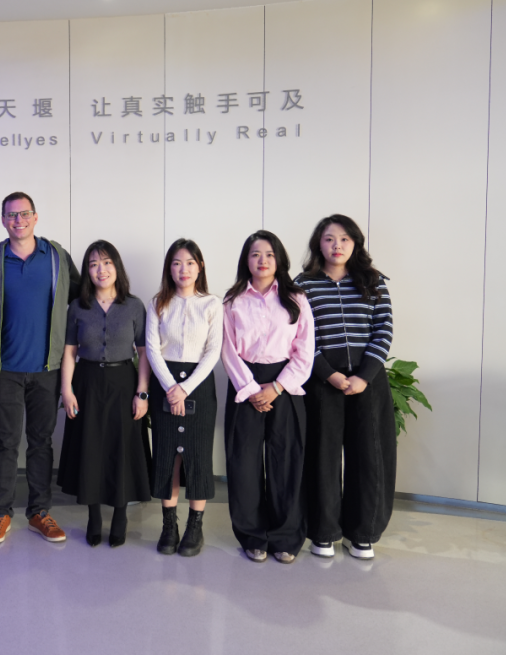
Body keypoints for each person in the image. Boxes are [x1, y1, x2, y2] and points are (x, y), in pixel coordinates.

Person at [0, 192, 80, 544]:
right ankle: (0, 513)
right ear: (3, 220)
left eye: (24, 214)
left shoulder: (56, 257)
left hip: (47, 368)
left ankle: (39, 512)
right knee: (6, 442)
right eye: (11, 215)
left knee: (41, 443)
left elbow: (80, 299)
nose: (18, 220)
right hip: (4, 370)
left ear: (35, 217)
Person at [296, 214, 395, 560]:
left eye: (344, 239)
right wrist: (330, 375)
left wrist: (363, 376)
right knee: (322, 457)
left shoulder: (373, 281)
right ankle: (323, 532)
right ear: (318, 245)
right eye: (329, 239)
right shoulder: (304, 285)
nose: (336, 245)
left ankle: (362, 533)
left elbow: (384, 329)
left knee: (369, 457)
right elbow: (301, 337)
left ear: (355, 244)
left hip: (368, 382)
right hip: (323, 381)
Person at [221, 230, 314, 564]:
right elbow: (227, 350)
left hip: (285, 385)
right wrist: (250, 390)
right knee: (243, 463)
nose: (262, 260)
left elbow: (305, 349)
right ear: (246, 260)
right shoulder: (232, 300)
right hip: (243, 384)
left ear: (279, 260)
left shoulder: (296, 298)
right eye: (255, 254)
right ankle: (252, 536)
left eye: (269, 254)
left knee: (286, 461)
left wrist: (276, 387)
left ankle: (286, 537)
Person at [58, 241, 151, 548]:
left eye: (107, 262)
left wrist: (142, 394)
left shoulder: (134, 306)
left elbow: (144, 353)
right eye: (94, 264)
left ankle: (121, 515)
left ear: (117, 267)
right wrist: (67, 390)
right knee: (91, 448)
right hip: (87, 382)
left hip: (123, 382)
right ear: (87, 271)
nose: (101, 269)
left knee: (120, 448)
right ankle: (94, 516)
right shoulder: (78, 307)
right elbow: (69, 352)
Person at [145, 239, 222, 557]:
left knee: (197, 456)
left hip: (199, 385)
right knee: (168, 455)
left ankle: (194, 527)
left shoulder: (212, 304)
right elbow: (152, 349)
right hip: (164, 382)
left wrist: (185, 389)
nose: (183, 269)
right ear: (169, 268)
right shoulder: (158, 303)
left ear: (200, 266)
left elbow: (213, 351)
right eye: (177, 263)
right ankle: (169, 526)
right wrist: (170, 387)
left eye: (190, 262)